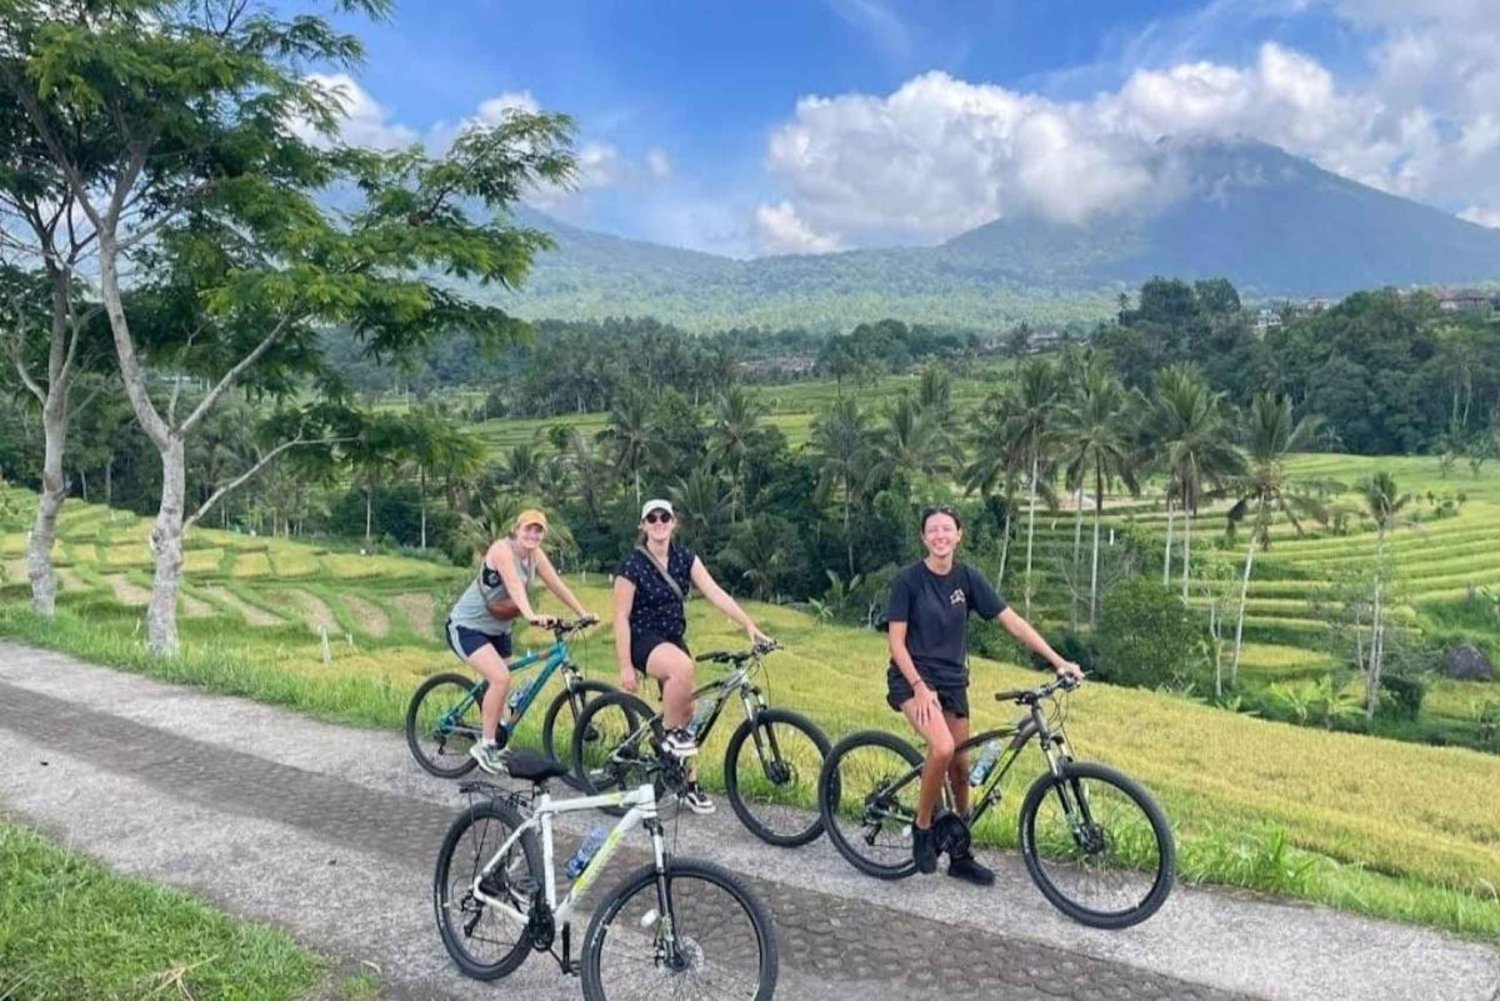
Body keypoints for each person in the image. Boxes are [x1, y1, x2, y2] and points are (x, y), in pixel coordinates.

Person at [887, 504, 1083, 885]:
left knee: (961, 769)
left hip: (953, 681)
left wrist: (1058, 661)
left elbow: (1013, 623)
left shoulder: (967, 579)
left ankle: (960, 855)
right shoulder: (907, 580)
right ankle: (923, 827)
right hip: (913, 679)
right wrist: (919, 686)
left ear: (959, 535)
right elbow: (896, 642)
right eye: (933, 530)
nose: (941, 536)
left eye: (948, 529)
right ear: (923, 538)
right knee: (942, 749)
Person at [613, 498, 772, 814]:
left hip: (673, 638)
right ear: (643, 526)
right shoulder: (631, 565)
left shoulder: (685, 558)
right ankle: (669, 739)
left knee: (689, 711)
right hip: (642, 638)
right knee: (682, 672)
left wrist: (748, 624)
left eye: (665, 517)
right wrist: (625, 666)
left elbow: (715, 593)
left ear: (674, 523)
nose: (659, 523)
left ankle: (687, 783)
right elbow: (620, 617)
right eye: (652, 518)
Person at [445, 508, 596, 773]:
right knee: (500, 678)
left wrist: (582, 612)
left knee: (504, 681)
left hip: (498, 629)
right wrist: (531, 615)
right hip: (466, 626)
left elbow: (556, 585)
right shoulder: (502, 550)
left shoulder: (535, 556)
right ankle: (486, 744)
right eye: (528, 528)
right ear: (517, 530)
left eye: (538, 530)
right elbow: (514, 585)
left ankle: (496, 739)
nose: (533, 534)